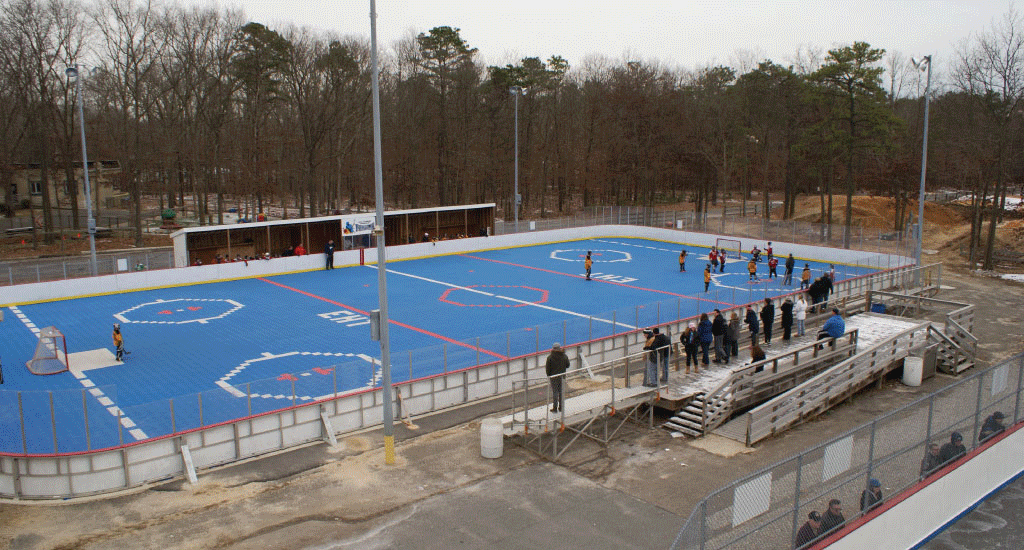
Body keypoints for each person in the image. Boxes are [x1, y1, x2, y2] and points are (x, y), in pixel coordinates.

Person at [544, 343, 570, 412]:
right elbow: (568, 365)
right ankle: (561, 407)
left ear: (553, 348)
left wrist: (549, 376)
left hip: (554, 377)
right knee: (561, 392)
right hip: (562, 377)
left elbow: (548, 369)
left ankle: (555, 408)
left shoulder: (550, 357)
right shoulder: (564, 356)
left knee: (555, 392)